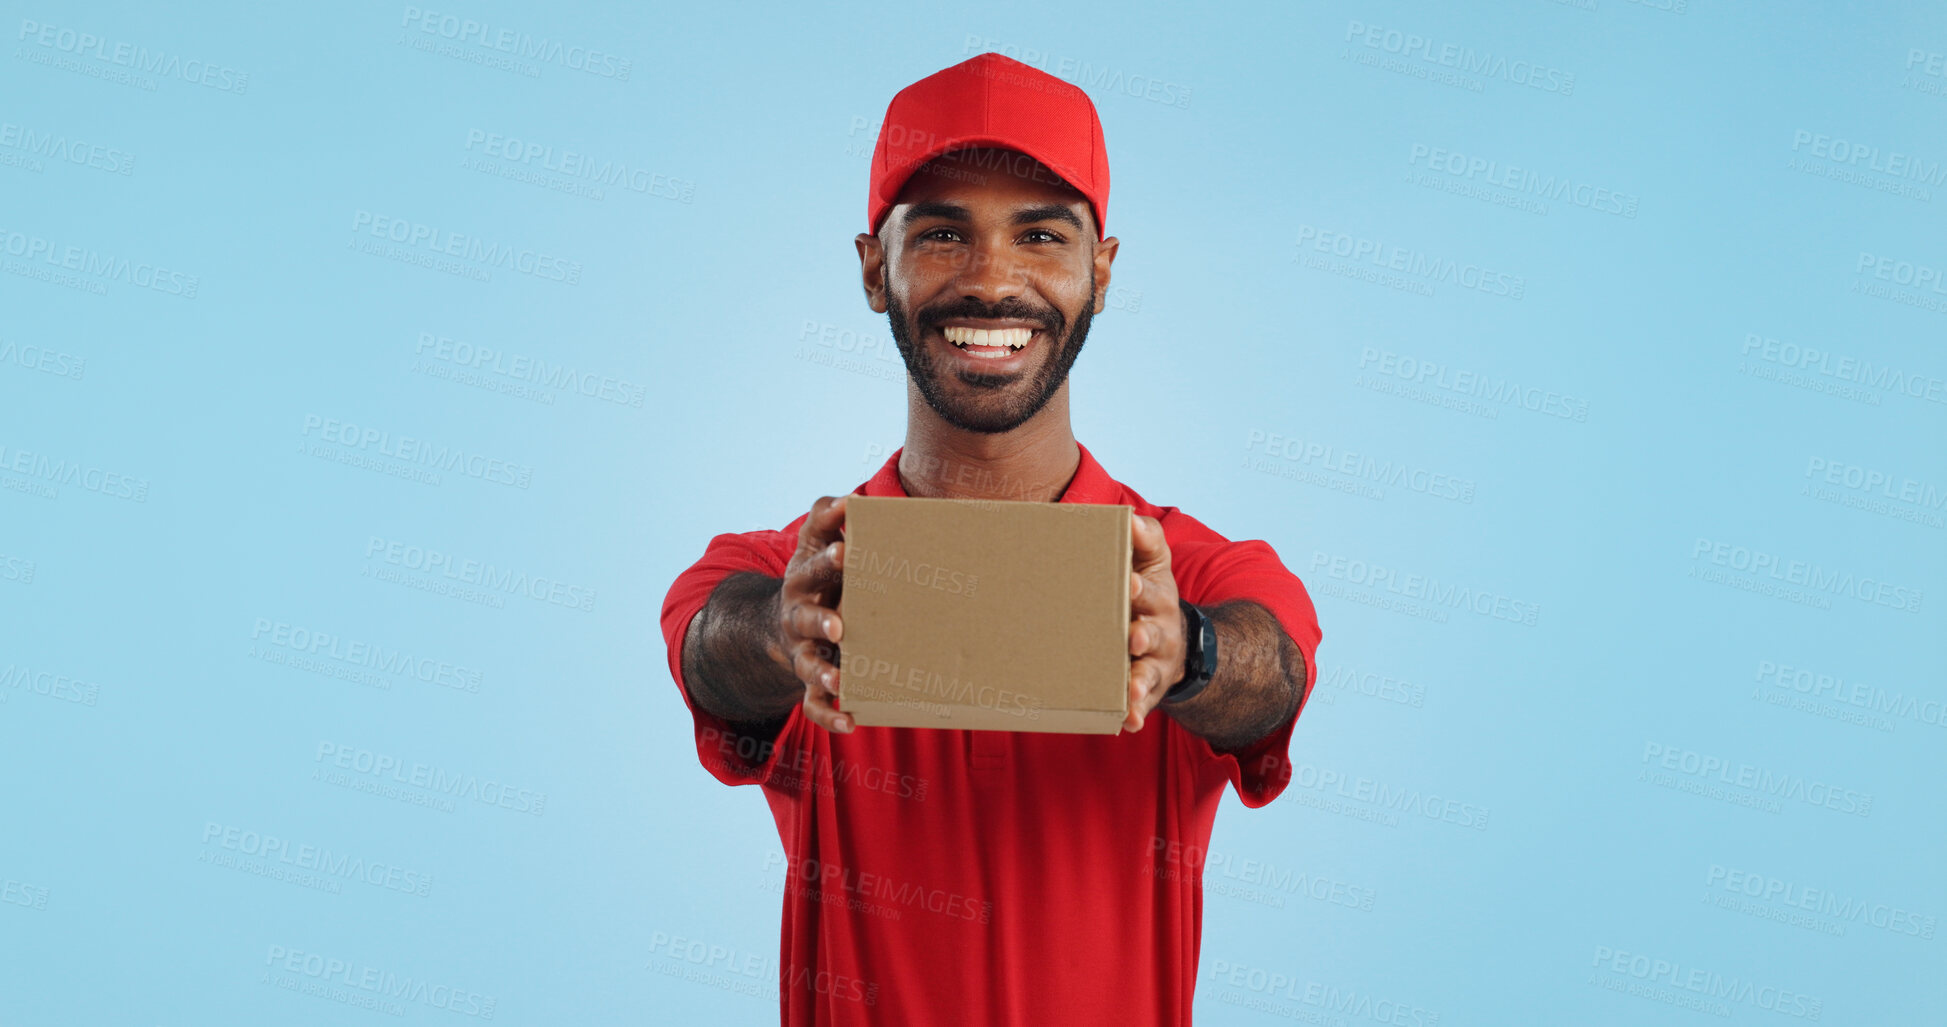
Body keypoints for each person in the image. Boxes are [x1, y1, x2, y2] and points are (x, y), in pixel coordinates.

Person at [659, 52, 1323, 1026]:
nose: (991, 280)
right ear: (872, 269)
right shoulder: (788, 573)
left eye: (1041, 235)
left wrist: (1188, 648)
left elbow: (1273, 670)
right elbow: (713, 649)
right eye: (939, 233)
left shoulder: (1192, 571)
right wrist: (776, 633)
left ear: (1100, 270)